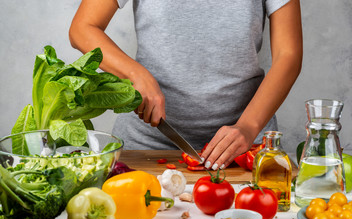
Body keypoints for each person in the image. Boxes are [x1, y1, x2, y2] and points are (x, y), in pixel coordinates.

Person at [69, 0, 303, 170]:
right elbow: (83, 28)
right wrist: (134, 74)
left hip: (244, 151)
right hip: (145, 145)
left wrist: (248, 126)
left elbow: (288, 54)